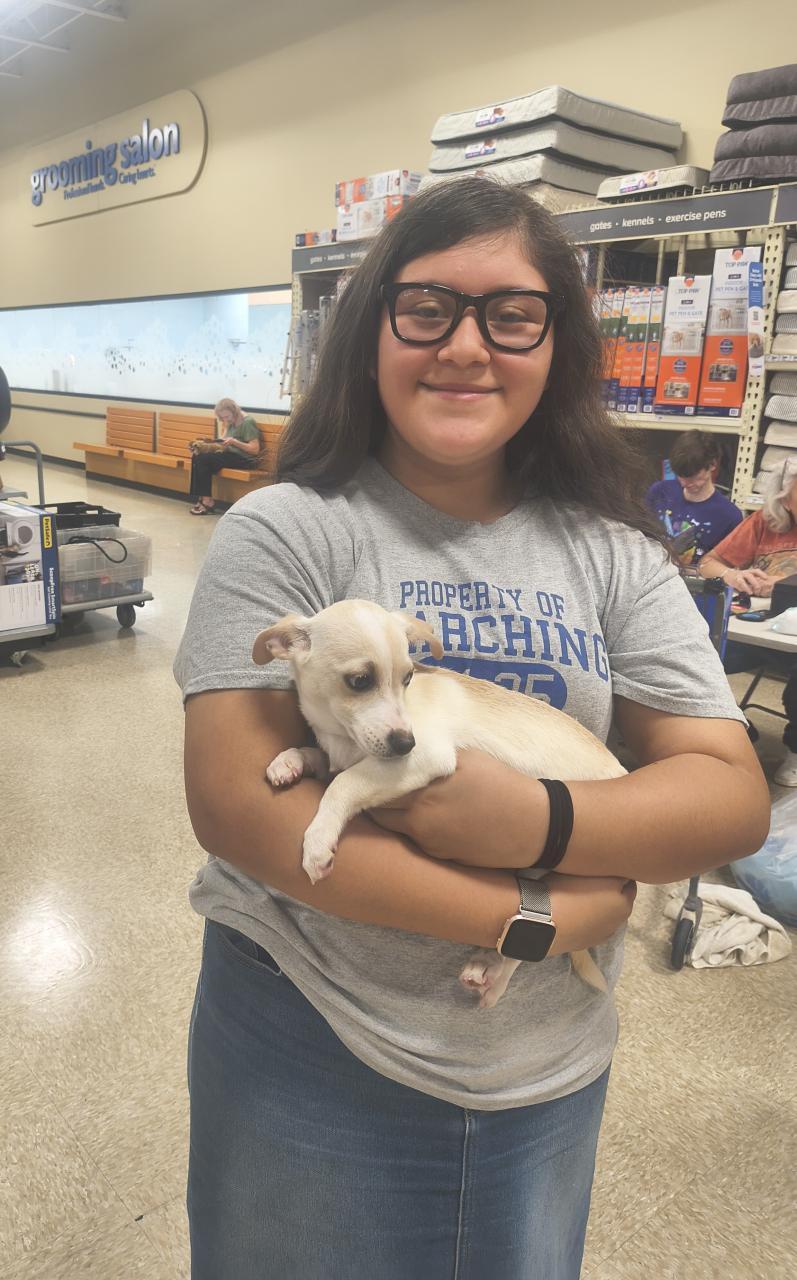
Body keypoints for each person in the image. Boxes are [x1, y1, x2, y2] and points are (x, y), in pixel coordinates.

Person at [174, 178, 769, 1280]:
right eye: (426, 308)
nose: (464, 346)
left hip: (541, 1074)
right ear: (370, 333)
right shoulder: (285, 531)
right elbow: (237, 806)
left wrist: (537, 819)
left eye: (511, 316)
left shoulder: (613, 552)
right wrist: (541, 915)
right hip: (309, 1042)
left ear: (556, 348)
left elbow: (728, 794)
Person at [699, 458, 797, 786]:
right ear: (784, 498)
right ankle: (738, 730)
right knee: (696, 658)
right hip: (758, 632)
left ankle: (795, 748)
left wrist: (781, 584)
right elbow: (708, 564)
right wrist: (733, 575)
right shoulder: (764, 522)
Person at [645, 430, 742, 564]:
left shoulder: (730, 516)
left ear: (712, 465)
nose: (685, 484)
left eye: (693, 477)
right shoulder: (660, 492)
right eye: (681, 476)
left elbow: (725, 566)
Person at [188, 397, 261, 514]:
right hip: (230, 455)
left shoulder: (247, 422)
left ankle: (207, 501)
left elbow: (255, 449)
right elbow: (223, 442)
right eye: (223, 418)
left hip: (245, 459)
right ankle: (202, 497)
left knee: (204, 460)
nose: (225, 420)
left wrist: (235, 442)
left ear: (234, 411)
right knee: (197, 456)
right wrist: (204, 446)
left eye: (227, 417)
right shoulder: (228, 422)